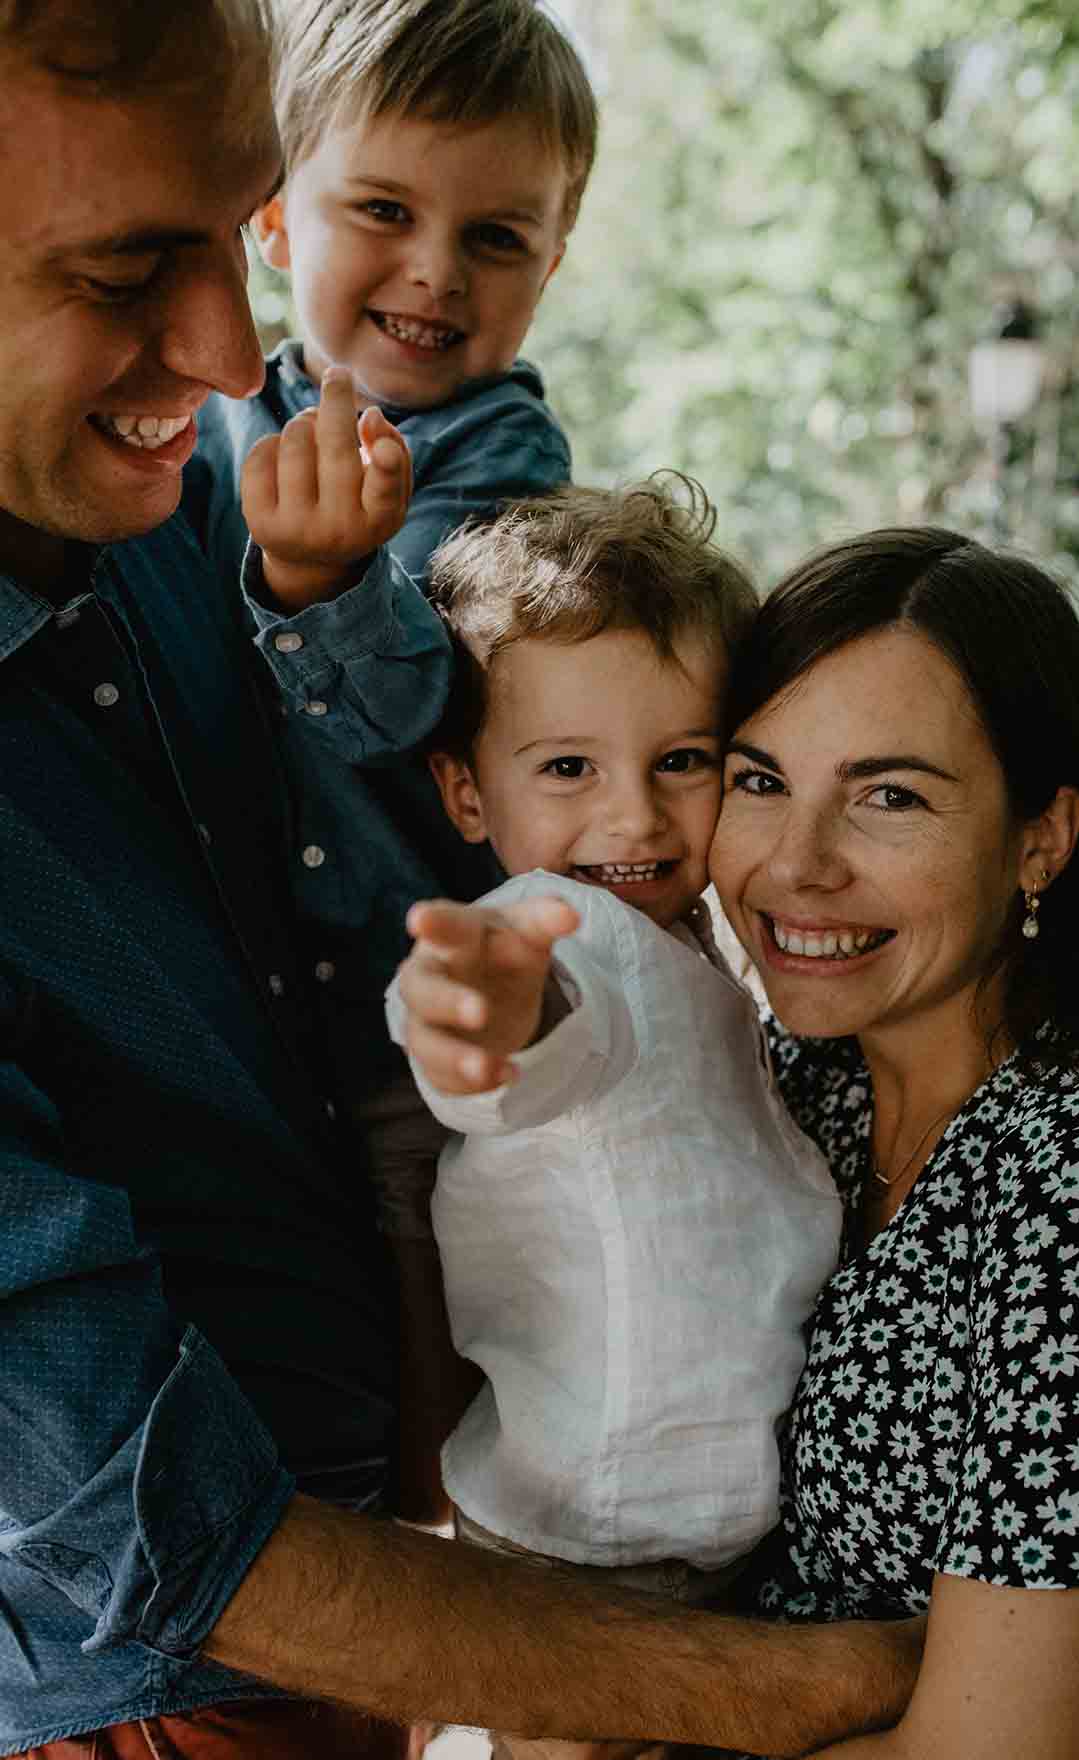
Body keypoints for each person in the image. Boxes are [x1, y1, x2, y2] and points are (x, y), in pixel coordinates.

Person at [0, 10, 968, 1760]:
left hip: (389, 1611)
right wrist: (864, 1713)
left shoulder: (188, 484)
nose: (219, 355)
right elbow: (143, 1518)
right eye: (130, 267)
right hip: (171, 1722)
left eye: (234, 229)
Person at [399, 527, 1079, 1760]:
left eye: (889, 798)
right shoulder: (796, 1078)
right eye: (757, 780)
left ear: (1038, 834)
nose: (791, 865)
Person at [192, 0, 597, 1518]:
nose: (434, 270)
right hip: (247, 1013)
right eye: (382, 209)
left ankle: (466, 1622)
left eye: (496, 238)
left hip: (406, 1011)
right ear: (276, 216)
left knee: (443, 1362)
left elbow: (403, 703)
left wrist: (317, 585)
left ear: (549, 267)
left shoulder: (500, 462)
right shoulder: (217, 413)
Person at [382, 480, 842, 1605]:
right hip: (594, 1545)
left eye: (681, 760)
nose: (632, 815)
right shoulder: (564, 932)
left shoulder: (687, 940)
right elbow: (533, 1038)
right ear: (467, 794)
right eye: (567, 768)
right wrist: (479, 1022)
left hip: (662, 1529)